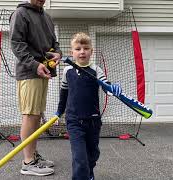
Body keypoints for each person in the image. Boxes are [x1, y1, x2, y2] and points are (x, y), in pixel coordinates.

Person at [56, 32, 122, 180]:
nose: (82, 51)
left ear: (91, 51)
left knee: (92, 154)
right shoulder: (67, 71)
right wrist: (59, 112)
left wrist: (112, 89)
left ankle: (89, 174)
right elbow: (64, 93)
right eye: (78, 48)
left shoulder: (96, 69)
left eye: (86, 48)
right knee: (79, 157)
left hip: (93, 121)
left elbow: (106, 86)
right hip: (73, 120)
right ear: (72, 52)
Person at [9, 0, 62, 176]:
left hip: (44, 71)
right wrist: (34, 65)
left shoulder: (46, 17)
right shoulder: (20, 14)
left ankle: (32, 155)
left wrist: (58, 53)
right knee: (30, 115)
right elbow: (17, 44)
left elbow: (54, 43)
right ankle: (28, 162)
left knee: (37, 115)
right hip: (30, 72)